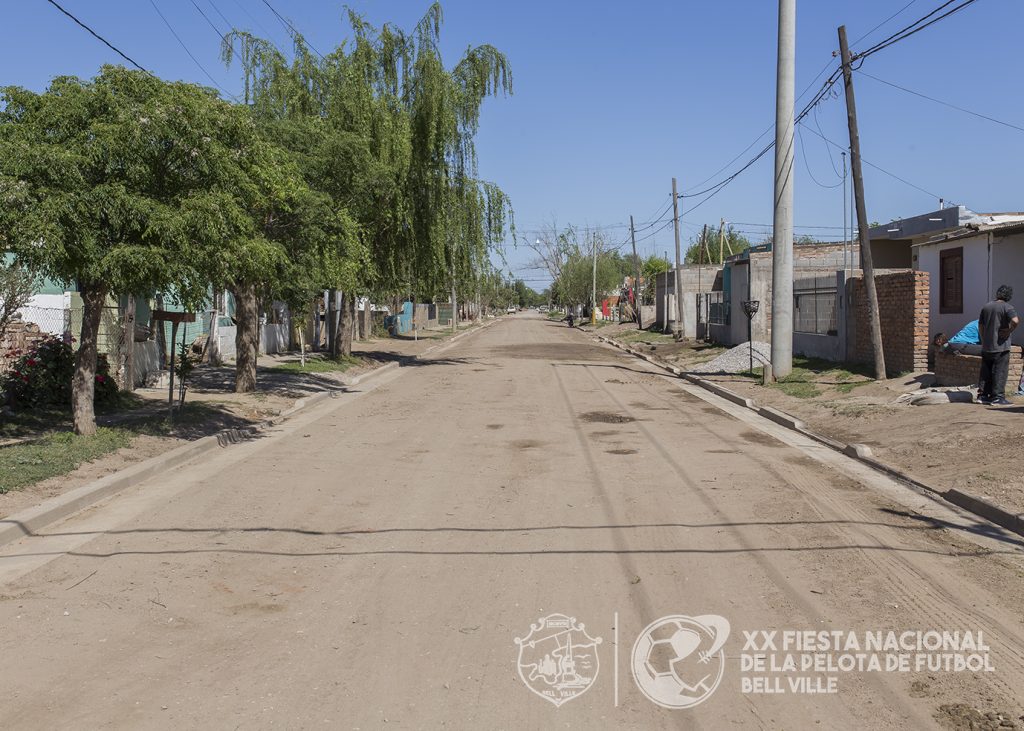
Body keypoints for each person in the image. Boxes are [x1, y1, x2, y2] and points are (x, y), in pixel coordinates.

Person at [977, 285, 1019, 405]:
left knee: (986, 372)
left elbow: (980, 325)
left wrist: (984, 338)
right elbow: (1015, 320)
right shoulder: (1007, 307)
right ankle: (998, 397)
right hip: (1001, 346)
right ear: (1009, 296)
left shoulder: (986, 306)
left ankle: (983, 396)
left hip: (987, 346)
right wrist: (1009, 331)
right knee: (1000, 372)